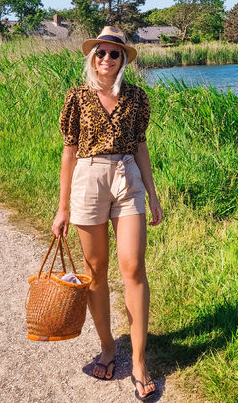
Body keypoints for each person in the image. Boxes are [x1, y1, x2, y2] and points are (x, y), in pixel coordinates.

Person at [52, 26, 163, 401]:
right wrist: (62, 207)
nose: (106, 59)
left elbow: (142, 146)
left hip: (126, 177)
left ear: (123, 60)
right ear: (92, 57)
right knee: (96, 270)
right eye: (100, 52)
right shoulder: (77, 97)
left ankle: (138, 361)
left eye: (114, 54)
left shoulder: (136, 98)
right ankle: (107, 347)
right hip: (89, 179)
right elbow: (69, 151)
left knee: (132, 266)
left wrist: (153, 194)